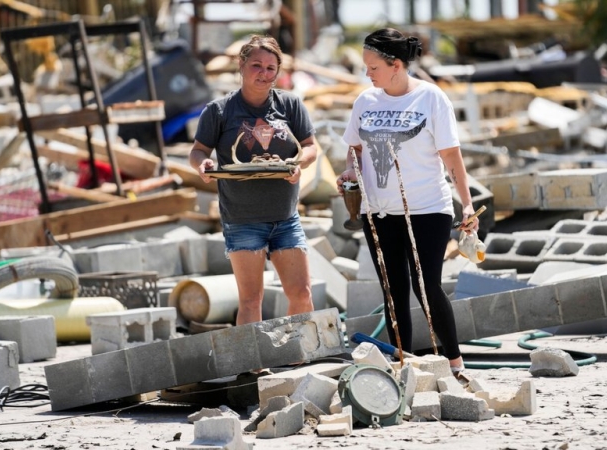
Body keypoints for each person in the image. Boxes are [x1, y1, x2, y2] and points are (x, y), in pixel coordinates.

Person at [336, 28, 478, 376]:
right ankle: (403, 365)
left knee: (426, 285)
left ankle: (455, 363)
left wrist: (468, 205)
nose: (367, 74)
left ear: (396, 65)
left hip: (428, 208)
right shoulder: (365, 102)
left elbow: (451, 157)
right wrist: (349, 174)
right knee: (393, 289)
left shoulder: (431, 98)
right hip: (378, 210)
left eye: (373, 67)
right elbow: (354, 150)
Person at [190, 35, 317, 326]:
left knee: (301, 293)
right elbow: (198, 152)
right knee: (251, 300)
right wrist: (204, 165)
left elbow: (310, 146)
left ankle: (295, 357)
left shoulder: (290, 105)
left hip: (285, 218)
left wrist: (298, 163)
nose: (264, 73)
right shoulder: (219, 111)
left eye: (271, 68)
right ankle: (253, 367)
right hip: (242, 219)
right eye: (257, 65)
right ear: (241, 64)